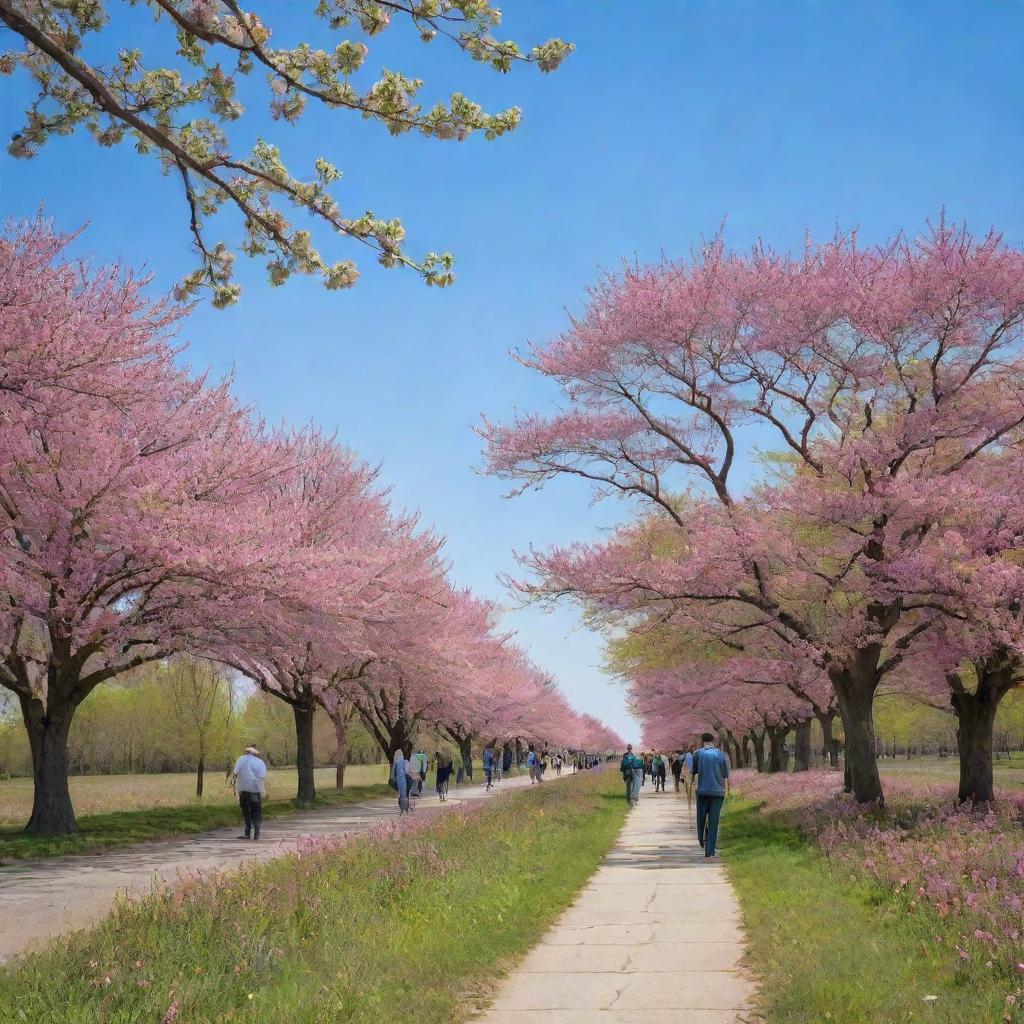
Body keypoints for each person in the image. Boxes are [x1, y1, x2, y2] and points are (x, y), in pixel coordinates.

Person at [692, 733, 730, 858]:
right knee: (714, 821)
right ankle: (711, 850)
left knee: (701, 819)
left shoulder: (697, 753)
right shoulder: (721, 754)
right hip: (718, 793)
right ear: (714, 741)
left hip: (702, 791)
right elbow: (725, 773)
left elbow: (694, 771)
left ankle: (702, 841)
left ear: (702, 741)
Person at [231, 744, 266, 840]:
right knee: (257, 811)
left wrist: (233, 784)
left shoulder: (240, 760)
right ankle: (257, 833)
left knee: (246, 811)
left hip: (244, 789)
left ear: (246, 751)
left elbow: (235, 773)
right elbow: (262, 776)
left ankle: (247, 833)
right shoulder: (260, 762)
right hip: (255, 790)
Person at [393, 743, 411, 814]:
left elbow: (394, 771)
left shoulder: (397, 760)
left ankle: (402, 806)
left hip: (399, 779)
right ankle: (405, 807)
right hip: (405, 778)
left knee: (401, 792)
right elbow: (408, 771)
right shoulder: (406, 760)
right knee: (406, 793)